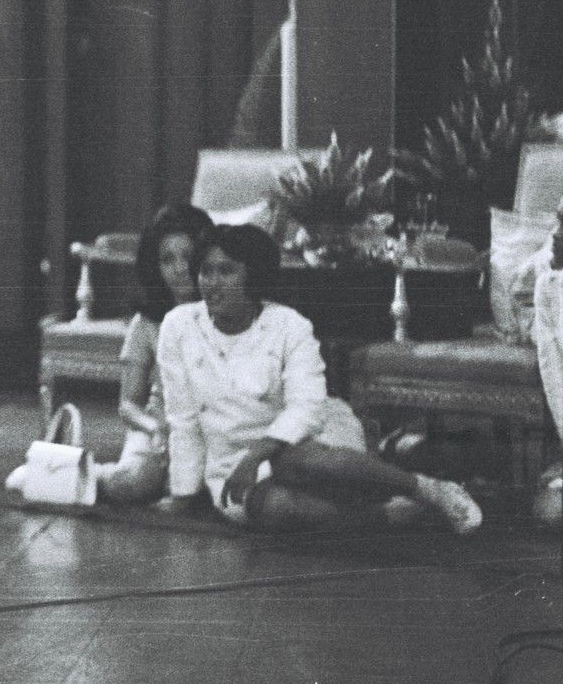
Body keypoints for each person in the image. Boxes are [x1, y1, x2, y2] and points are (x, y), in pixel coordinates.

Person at [156, 224, 484, 534]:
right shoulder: (178, 326)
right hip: (233, 465)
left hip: (312, 439)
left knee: (295, 461)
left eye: (226, 270)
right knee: (274, 508)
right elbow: (182, 418)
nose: (211, 283)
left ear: (253, 276)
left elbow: (307, 409)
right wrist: (184, 492)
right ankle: (386, 516)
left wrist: (259, 453)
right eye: (205, 271)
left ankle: (428, 489)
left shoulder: (290, 325)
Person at [99, 204, 212, 502]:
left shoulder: (223, 312)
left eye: (188, 257)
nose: (179, 269)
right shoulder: (146, 323)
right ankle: (67, 472)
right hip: (159, 427)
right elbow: (128, 405)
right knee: (130, 486)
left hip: (216, 426)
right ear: (154, 266)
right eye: (167, 260)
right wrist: (156, 428)